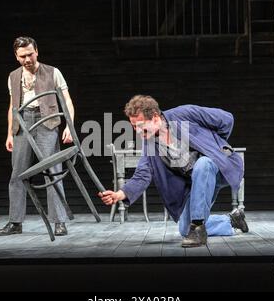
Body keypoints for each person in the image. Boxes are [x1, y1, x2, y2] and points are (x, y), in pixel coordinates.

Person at [99, 95, 249, 248]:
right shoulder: (150, 144)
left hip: (216, 169)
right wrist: (119, 194)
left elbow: (226, 119)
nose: (137, 131)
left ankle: (197, 226)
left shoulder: (184, 114)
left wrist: (215, 145)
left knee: (203, 163)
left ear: (156, 117)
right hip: (196, 185)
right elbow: (142, 175)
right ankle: (232, 220)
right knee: (184, 229)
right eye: (133, 126)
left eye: (140, 125)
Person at [0, 36, 74, 236]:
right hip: (22, 122)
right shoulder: (13, 76)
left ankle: (59, 221)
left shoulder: (53, 72)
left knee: (52, 170)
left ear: (37, 51)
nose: (27, 59)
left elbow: (67, 100)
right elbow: (12, 107)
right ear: (16, 56)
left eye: (30, 54)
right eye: (22, 56)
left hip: (47, 121)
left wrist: (69, 126)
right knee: (17, 174)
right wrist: (9, 133)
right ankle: (15, 222)